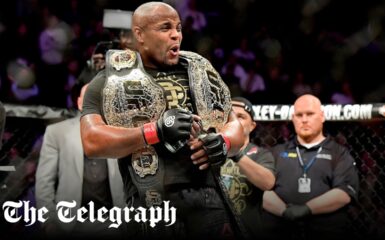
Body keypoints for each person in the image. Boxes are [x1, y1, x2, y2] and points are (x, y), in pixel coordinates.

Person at [80, 2, 244, 240]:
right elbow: (91, 141)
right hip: (150, 201)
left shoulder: (199, 71)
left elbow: (237, 127)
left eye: (178, 27)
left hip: (208, 196)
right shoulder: (111, 79)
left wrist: (224, 141)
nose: (176, 34)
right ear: (139, 34)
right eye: (165, 27)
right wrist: (154, 131)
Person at [262, 94, 359, 240]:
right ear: (293, 118)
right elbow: (261, 189)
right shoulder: (276, 152)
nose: (304, 119)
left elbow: (344, 193)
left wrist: (306, 209)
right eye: (299, 115)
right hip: (281, 231)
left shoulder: (339, 153)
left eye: (310, 114)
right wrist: (284, 212)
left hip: (326, 232)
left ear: (322, 116)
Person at [35, 84, 125, 240]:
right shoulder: (57, 132)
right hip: (69, 224)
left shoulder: (122, 131)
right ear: (79, 103)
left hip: (115, 222)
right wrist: (48, 221)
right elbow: (44, 181)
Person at [220, 97, 275, 239]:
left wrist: (236, 154)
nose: (235, 121)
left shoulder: (262, 154)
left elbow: (268, 183)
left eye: (241, 116)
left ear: (252, 126)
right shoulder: (207, 150)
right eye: (229, 115)